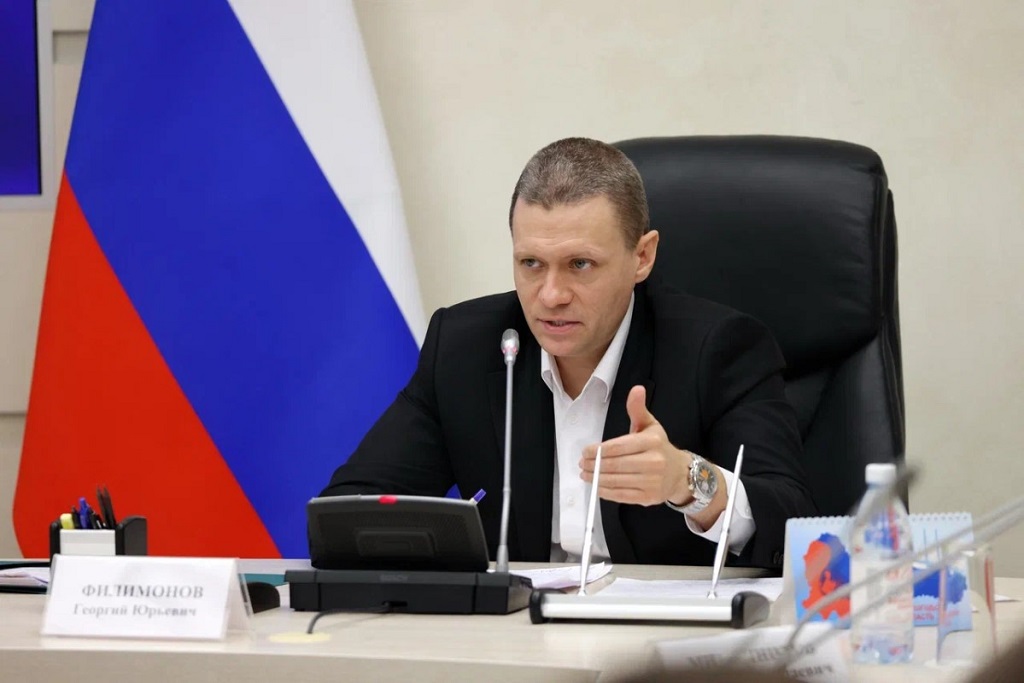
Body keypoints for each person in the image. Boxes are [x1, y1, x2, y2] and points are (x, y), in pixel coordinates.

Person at [320, 137, 816, 569]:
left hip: (663, 634)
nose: (551, 295)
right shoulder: (467, 347)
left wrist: (686, 480)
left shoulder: (719, 349)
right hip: (515, 630)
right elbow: (345, 515)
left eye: (580, 264)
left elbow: (794, 522)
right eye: (531, 263)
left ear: (642, 257)